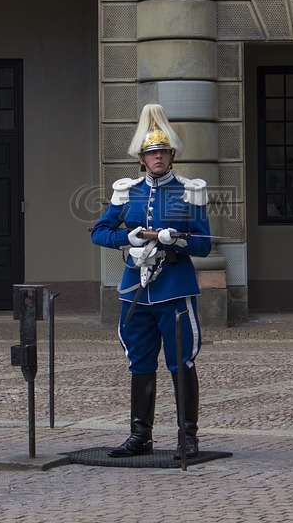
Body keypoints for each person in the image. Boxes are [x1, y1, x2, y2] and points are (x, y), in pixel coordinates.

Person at [91, 104, 211, 459]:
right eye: (151, 152)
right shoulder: (127, 191)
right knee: (140, 362)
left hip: (174, 288)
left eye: (162, 151)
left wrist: (178, 239)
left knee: (180, 361)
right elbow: (100, 232)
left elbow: (204, 244)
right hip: (134, 291)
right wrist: (129, 239)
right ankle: (139, 436)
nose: (157, 157)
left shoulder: (190, 191)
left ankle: (187, 438)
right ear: (142, 159)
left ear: (172, 155)